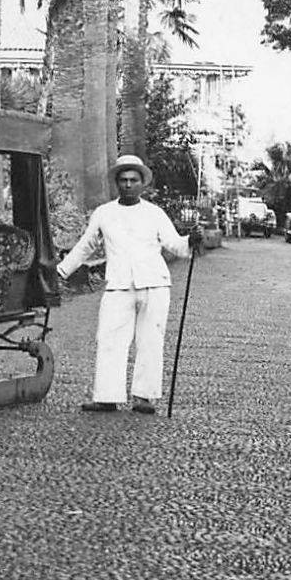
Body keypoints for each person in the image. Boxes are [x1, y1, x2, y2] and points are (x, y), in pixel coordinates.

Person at [56, 155, 204, 415]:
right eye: (123, 180)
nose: (128, 185)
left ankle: (144, 397)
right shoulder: (104, 213)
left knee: (150, 341)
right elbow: (85, 246)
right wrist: (61, 271)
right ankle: (106, 396)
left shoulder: (154, 213)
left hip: (155, 285)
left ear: (142, 183)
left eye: (133, 180)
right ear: (116, 183)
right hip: (118, 286)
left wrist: (190, 239)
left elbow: (175, 245)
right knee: (109, 339)